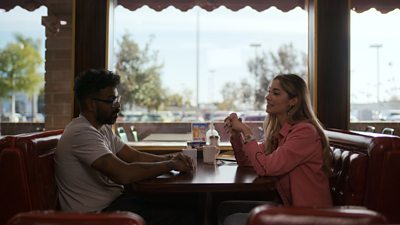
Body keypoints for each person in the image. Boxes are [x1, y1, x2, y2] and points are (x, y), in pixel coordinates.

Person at [55, 69, 196, 225]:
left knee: (188, 203)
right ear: (91, 104)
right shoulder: (81, 132)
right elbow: (124, 174)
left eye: (117, 99)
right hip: (96, 216)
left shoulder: (101, 128)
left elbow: (134, 156)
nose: (117, 106)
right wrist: (170, 164)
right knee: (187, 216)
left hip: (115, 204)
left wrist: (171, 158)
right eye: (111, 101)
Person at [219, 74, 333, 225]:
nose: (267, 97)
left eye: (276, 93)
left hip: (309, 216)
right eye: (269, 91)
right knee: (224, 208)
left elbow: (265, 168)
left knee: (233, 219)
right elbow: (247, 162)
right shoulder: (281, 132)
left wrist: (247, 131)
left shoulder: (304, 132)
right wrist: (236, 135)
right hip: (289, 208)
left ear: (293, 101)